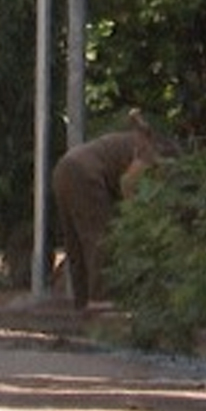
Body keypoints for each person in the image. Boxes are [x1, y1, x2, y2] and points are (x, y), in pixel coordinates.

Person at [52, 109, 163, 310]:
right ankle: (101, 306)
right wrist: (135, 216)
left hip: (65, 166)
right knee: (101, 243)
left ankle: (82, 305)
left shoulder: (127, 140)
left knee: (76, 244)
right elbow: (129, 182)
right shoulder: (149, 151)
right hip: (87, 173)